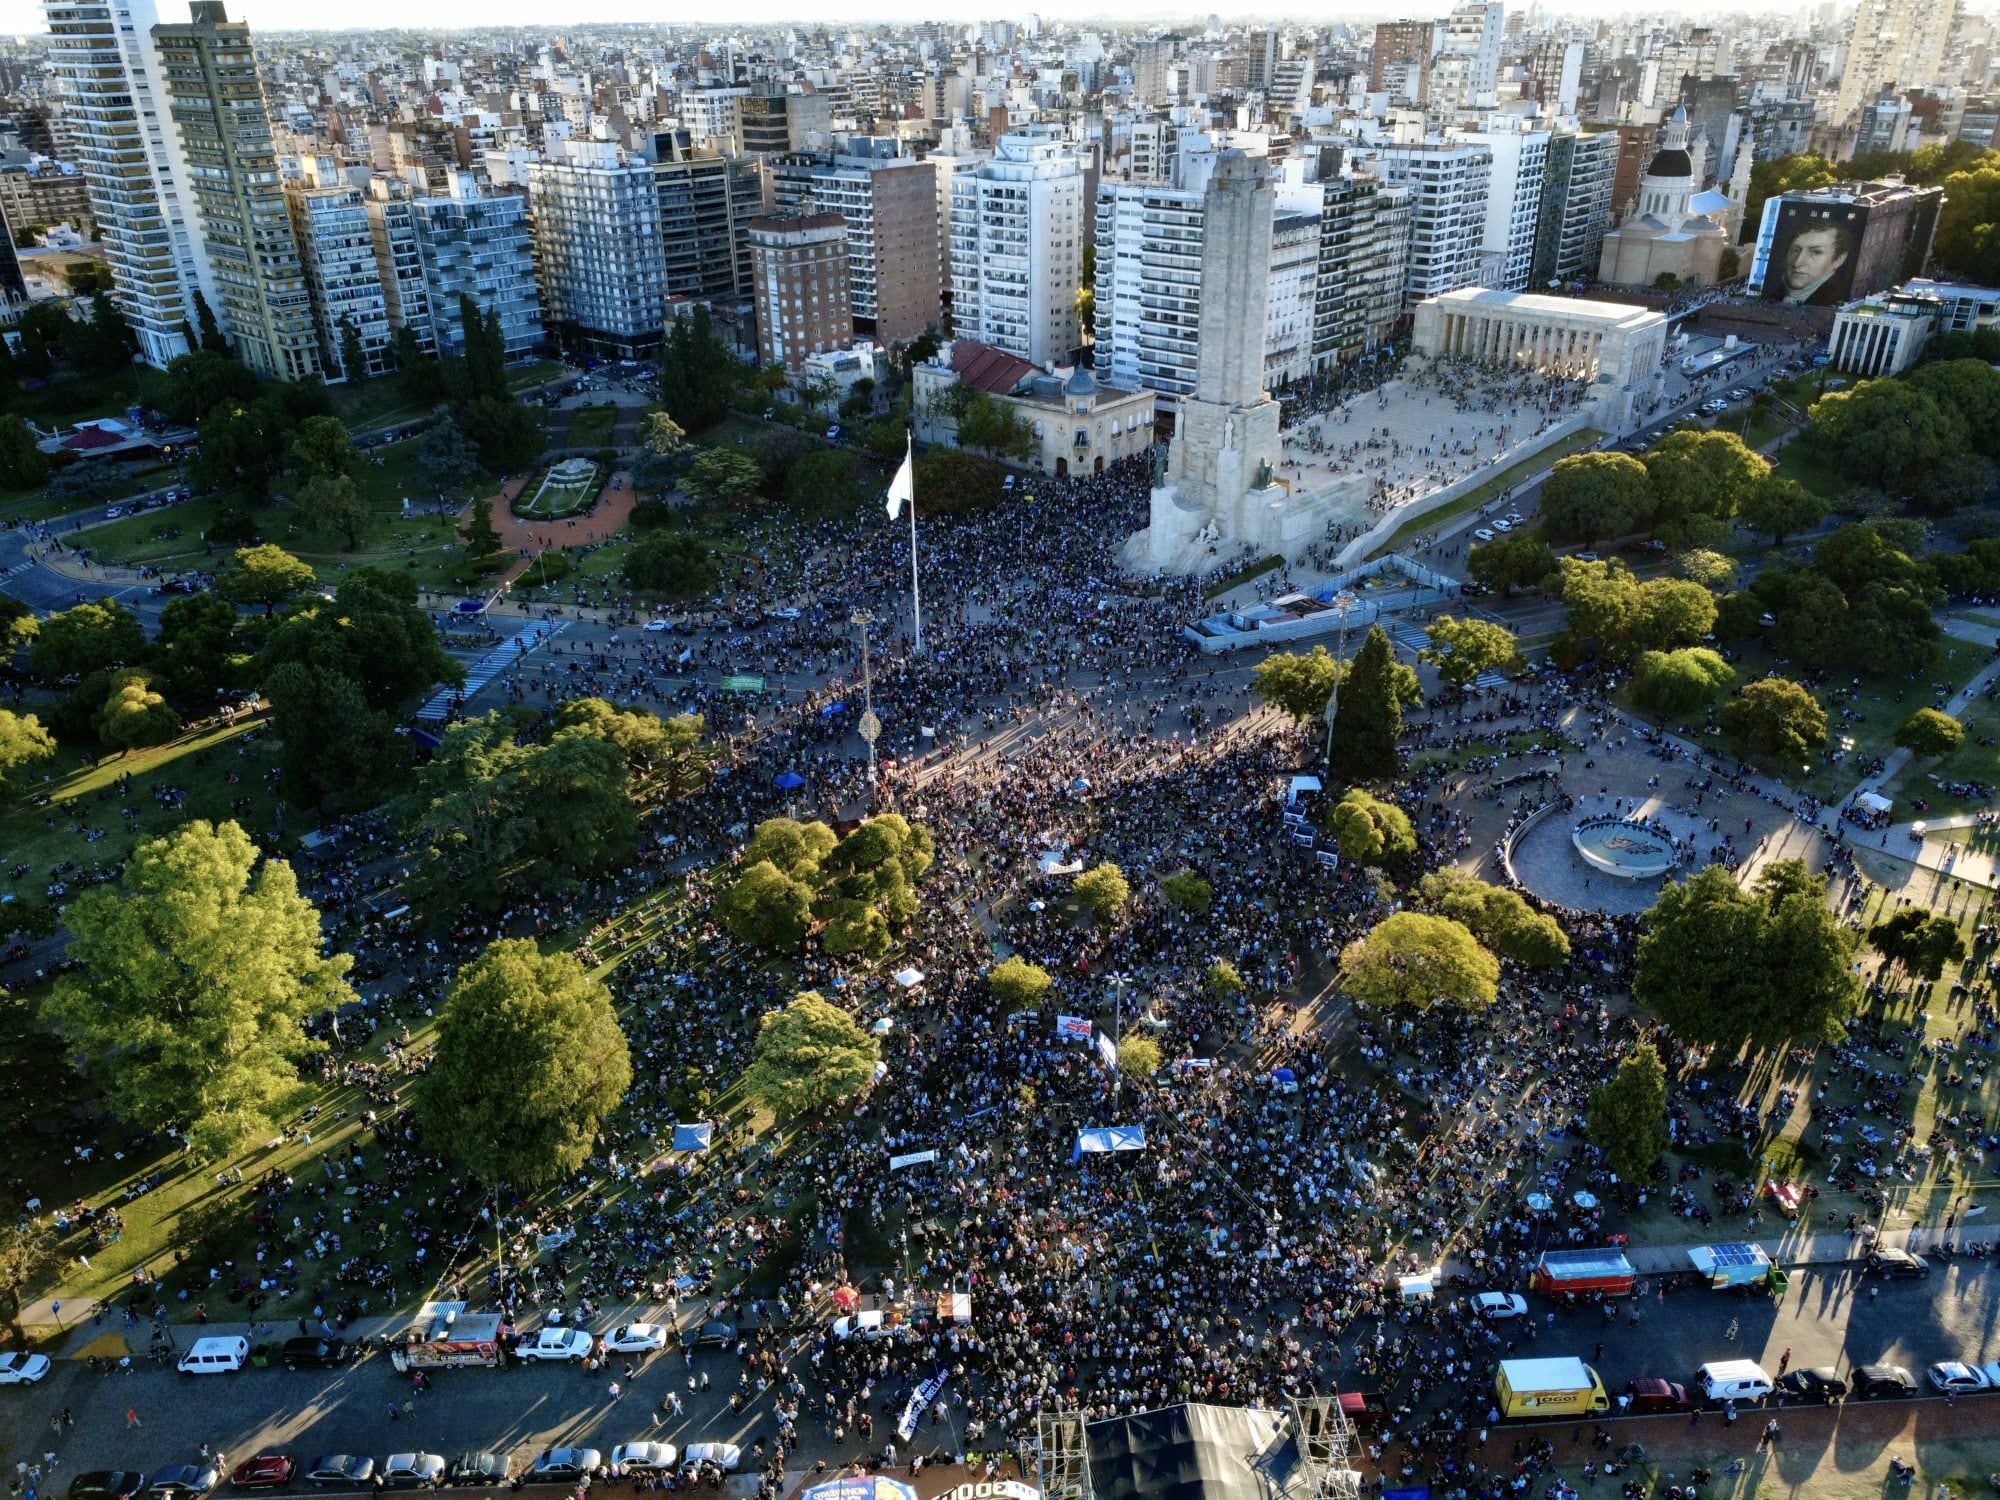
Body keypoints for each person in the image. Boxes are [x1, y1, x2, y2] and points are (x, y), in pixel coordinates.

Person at [1775, 222, 1854, 306]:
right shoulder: (1774, 294)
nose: (1797, 262)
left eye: (1816, 252)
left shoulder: (1839, 301)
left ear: (1838, 260)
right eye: (1795, 250)